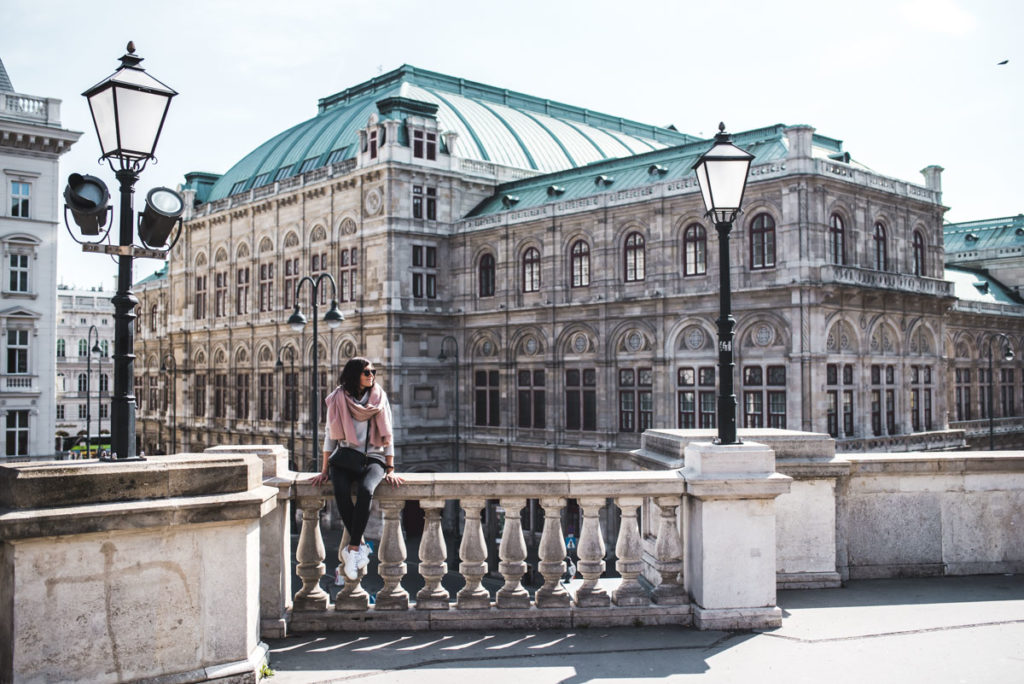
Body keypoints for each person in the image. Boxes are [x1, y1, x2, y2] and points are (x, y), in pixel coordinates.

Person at [311, 357, 402, 581]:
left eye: (373, 372)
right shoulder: (338, 398)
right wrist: (323, 470)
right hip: (345, 456)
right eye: (366, 372)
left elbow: (388, 434)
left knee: (366, 490)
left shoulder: (379, 398)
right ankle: (359, 546)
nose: (371, 375)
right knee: (340, 491)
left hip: (374, 457)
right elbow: (329, 436)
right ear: (354, 375)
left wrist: (390, 468)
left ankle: (353, 549)